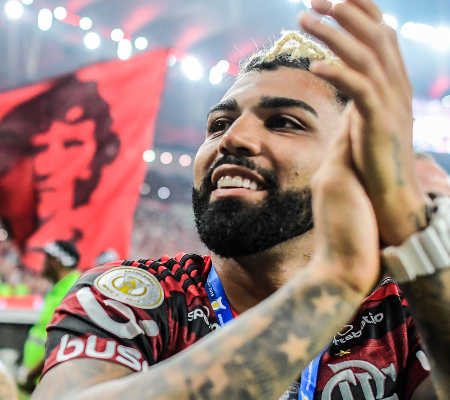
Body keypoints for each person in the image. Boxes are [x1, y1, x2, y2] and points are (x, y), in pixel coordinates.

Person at [32, 0, 450, 399]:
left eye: (284, 122)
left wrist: (417, 241)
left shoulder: (402, 315)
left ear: (357, 164)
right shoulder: (130, 299)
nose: (232, 138)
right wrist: (333, 283)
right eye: (219, 124)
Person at [0, 75, 120, 268]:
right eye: (40, 147)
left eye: (71, 144)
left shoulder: (91, 243)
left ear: (95, 158)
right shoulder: (15, 223)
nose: (47, 163)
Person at [18, 240, 81, 393]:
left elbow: (64, 342)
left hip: (47, 381)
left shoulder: (73, 291)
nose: (43, 263)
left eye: (47, 258)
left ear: (56, 261)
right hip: (40, 380)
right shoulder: (59, 289)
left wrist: (31, 375)